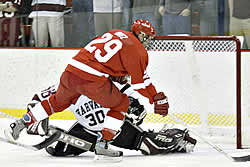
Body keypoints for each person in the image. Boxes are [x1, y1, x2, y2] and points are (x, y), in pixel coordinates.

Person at [5, 19, 169, 156]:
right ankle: (103, 144)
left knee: (56, 102)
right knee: (121, 104)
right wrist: (155, 98)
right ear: (140, 34)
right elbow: (140, 83)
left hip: (71, 71)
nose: (148, 42)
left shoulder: (112, 33)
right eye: (147, 38)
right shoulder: (137, 49)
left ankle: (21, 123)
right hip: (92, 79)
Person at [25, 83, 197, 157]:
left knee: (148, 144)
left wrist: (135, 109)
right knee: (58, 150)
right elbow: (37, 99)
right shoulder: (67, 85)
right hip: (87, 130)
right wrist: (35, 120)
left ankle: (176, 139)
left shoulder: (108, 81)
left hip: (115, 128)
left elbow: (138, 110)